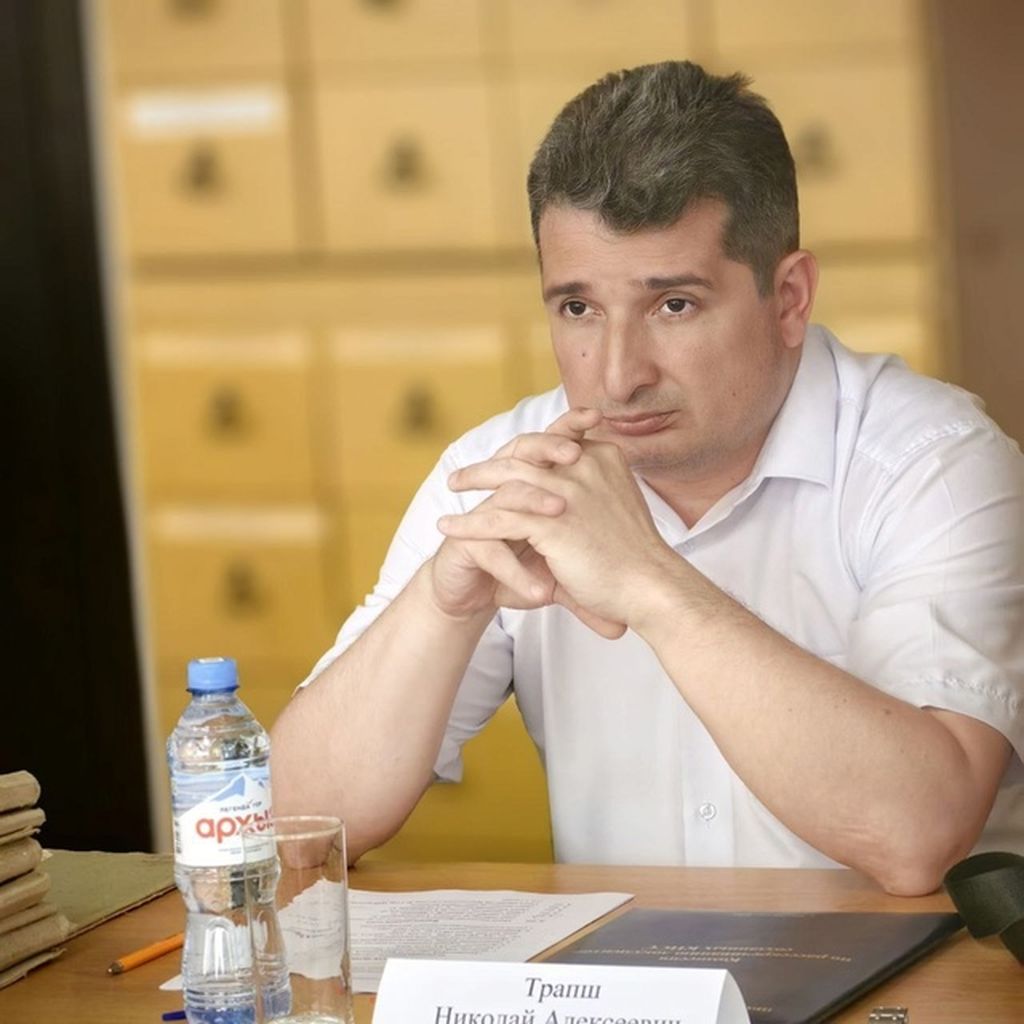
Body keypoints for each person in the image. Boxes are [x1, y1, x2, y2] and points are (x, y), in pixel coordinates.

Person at [271, 62, 1024, 894]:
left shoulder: (934, 464)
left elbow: (916, 838)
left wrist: (649, 583)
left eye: (674, 305)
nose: (617, 375)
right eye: (579, 309)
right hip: (624, 970)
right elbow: (294, 827)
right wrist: (441, 608)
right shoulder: (499, 474)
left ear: (788, 298)